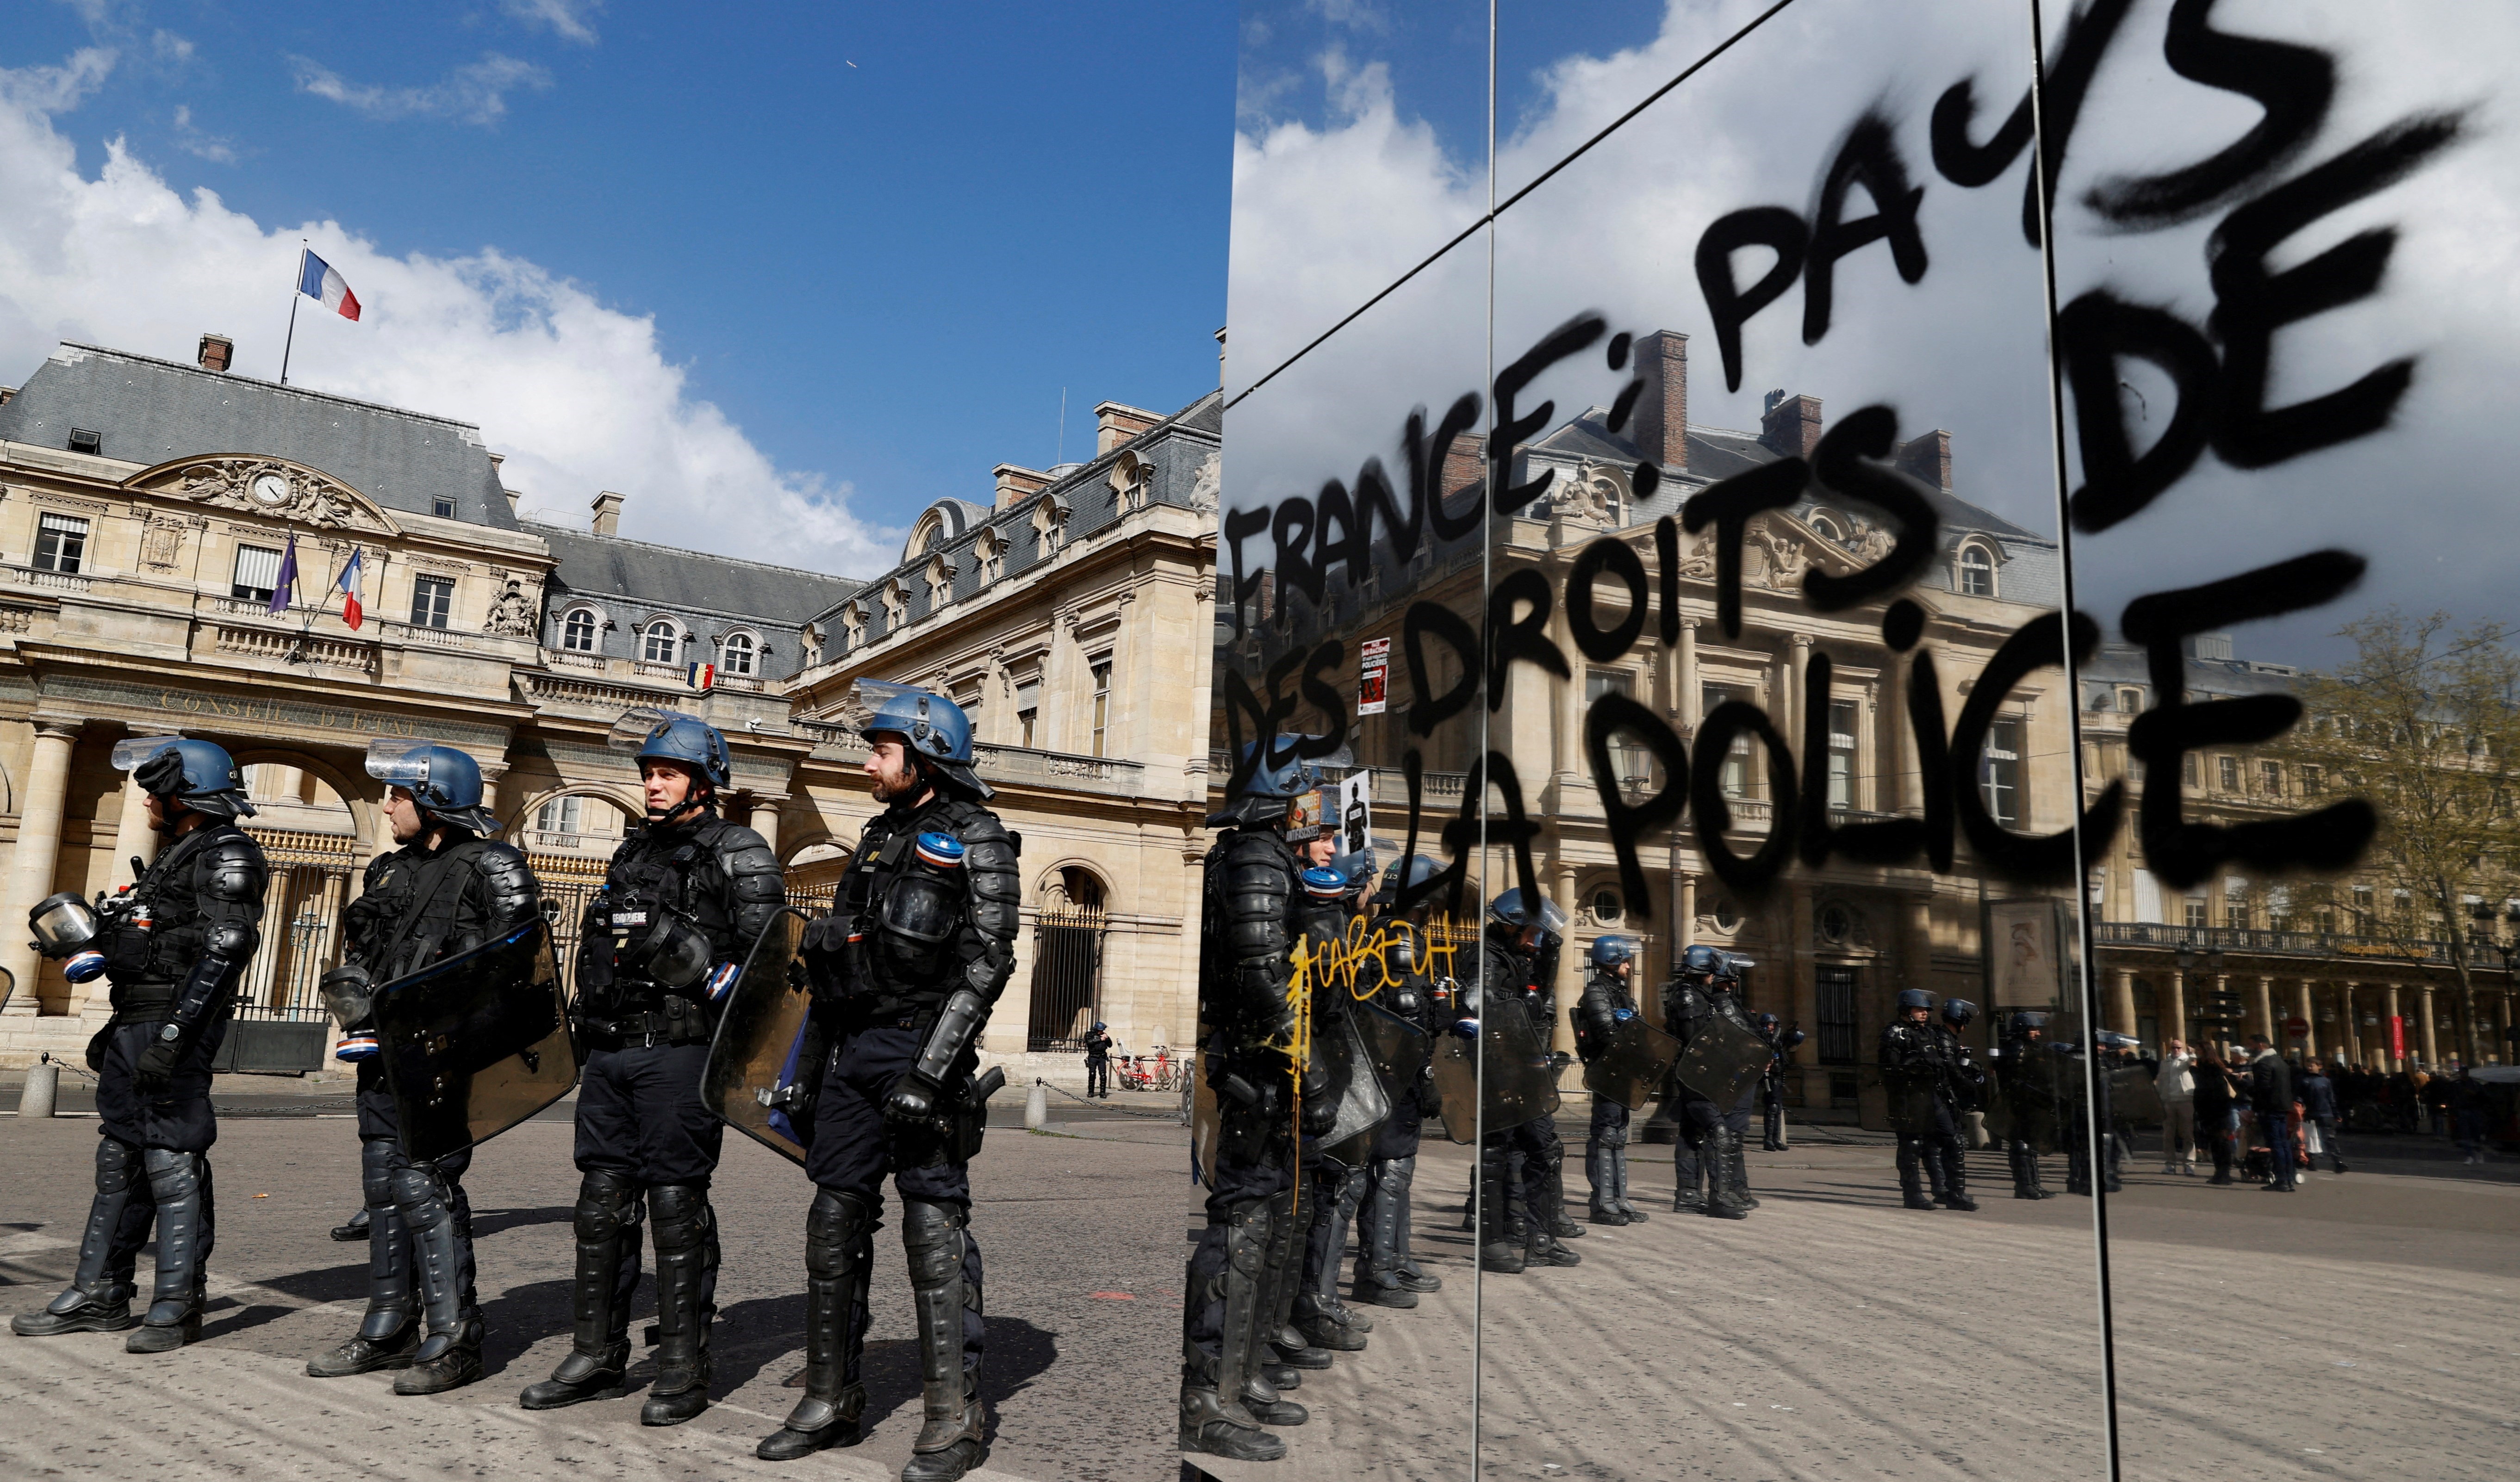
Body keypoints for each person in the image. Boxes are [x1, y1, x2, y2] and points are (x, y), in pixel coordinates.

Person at [761, 688, 1021, 1478]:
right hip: (854, 1049)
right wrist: (804, 1070)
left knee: (933, 1230)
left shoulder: (980, 838)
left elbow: (987, 963)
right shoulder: (874, 839)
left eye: (880, 750)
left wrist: (933, 1070)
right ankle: (830, 1396)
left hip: (923, 1050)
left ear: (925, 754)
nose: (868, 762)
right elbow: (831, 967)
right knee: (832, 1219)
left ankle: (953, 1414)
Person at [520, 710, 784, 1426]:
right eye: (648, 772)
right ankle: (596, 1352)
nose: (653, 784)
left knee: (675, 1202)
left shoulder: (742, 851)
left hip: (681, 1051)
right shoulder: (630, 854)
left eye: (667, 772)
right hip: (610, 1051)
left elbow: (771, 971)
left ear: (705, 780)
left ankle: (682, 1364)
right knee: (600, 1203)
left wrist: (704, 966)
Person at [13, 738, 266, 1350]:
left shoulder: (227, 849)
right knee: (119, 1159)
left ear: (190, 792)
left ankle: (177, 1305)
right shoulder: (175, 854)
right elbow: (158, 940)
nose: (147, 797)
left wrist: (177, 1035)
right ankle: (101, 1292)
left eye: (158, 786)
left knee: (172, 1160)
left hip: (173, 1028)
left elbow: (228, 945)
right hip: (135, 1024)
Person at [306, 743, 540, 1394]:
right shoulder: (387, 869)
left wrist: (450, 1032)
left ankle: (453, 1337)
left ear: (434, 799)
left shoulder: (495, 864)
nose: (386, 805)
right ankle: (388, 1325)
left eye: (398, 795)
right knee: (382, 1184)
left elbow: (513, 971)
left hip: (445, 1058)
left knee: (423, 1185)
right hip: (380, 1053)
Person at [1177, 742, 1319, 1463]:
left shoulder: (1260, 852)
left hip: (1267, 1068)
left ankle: (1240, 1375)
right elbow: (1265, 971)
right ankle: (1207, 1397)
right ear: (1284, 795)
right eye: (1308, 795)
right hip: (1260, 1070)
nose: (1314, 809)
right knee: (1242, 1226)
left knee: (1262, 1221)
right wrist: (1308, 1065)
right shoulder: (1258, 855)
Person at [1292, 854, 1381, 1358]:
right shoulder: (1325, 931)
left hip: (1338, 1077)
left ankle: (1320, 1299)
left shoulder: (1350, 929)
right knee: (1322, 1192)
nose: (1374, 887)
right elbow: (1317, 1011)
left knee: (1340, 1188)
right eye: (1369, 880)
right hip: (1318, 1079)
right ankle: (1311, 1305)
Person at [1350, 855, 1445, 1311]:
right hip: (1392, 1075)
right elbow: (1407, 1011)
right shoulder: (1398, 936)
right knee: (1389, 1172)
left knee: (1398, 1169)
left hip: (1387, 1073)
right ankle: (1377, 1269)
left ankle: (1397, 1259)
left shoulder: (1383, 930)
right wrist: (1425, 1072)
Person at [1469, 889, 1582, 1269]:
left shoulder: (1516, 960)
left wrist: (1548, 955)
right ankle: (1492, 1241)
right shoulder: (1486, 958)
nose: (1535, 940)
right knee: (1493, 1154)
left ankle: (1541, 1238)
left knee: (1546, 1150)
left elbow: (1538, 1006)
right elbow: (1480, 1012)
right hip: (1497, 1071)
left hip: (1526, 1071)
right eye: (1530, 932)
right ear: (1509, 926)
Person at [1664, 944, 1760, 1220]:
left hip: (1702, 1073)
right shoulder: (1689, 997)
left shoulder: (1698, 995)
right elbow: (1698, 1039)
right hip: (1697, 1074)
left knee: (1691, 1133)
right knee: (1718, 1132)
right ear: (1704, 970)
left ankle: (1688, 1195)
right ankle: (1720, 1198)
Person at [1574, 935, 1649, 1225]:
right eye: (1625, 961)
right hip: (1607, 1072)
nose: (1629, 967)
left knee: (1618, 1137)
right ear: (1611, 960)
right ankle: (1603, 1204)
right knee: (1605, 1136)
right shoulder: (1596, 993)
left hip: (1623, 1073)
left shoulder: (1620, 993)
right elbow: (1607, 1033)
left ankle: (1620, 1200)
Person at [1880, 990, 1952, 1210]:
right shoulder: (1895, 1032)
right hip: (1908, 1098)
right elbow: (1888, 1068)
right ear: (1906, 1011)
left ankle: (1942, 1190)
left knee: (1945, 1137)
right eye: (1919, 1009)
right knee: (1911, 1145)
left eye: (1926, 1010)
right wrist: (1911, 1064)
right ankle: (1913, 1195)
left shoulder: (1928, 1032)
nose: (1924, 1014)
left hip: (1932, 1095)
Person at [1993, 1011, 2057, 1199]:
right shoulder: (2017, 1049)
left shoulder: (2027, 1047)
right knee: (2021, 1144)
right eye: (2033, 1029)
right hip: (2019, 1103)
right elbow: (2022, 1076)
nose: (2038, 1033)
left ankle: (2034, 1184)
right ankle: (2024, 1186)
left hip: (2030, 1103)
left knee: (2031, 1144)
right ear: (2023, 1029)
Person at [1931, 998, 1984, 1211]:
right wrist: (1970, 1085)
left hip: (1942, 1096)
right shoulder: (1944, 1038)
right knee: (1954, 1144)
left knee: (1937, 1145)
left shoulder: (1947, 1038)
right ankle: (1955, 1194)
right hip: (1942, 1096)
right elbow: (1950, 1070)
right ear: (1961, 1019)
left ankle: (1944, 1191)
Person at [2243, 1033, 2297, 1192]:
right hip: (2283, 1108)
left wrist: (2246, 1085)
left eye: (2251, 1045)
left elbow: (2263, 1089)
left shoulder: (2263, 1064)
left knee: (2276, 1145)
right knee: (2284, 1144)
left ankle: (2281, 1180)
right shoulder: (2281, 1062)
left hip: (2269, 1108)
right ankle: (2289, 1177)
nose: (2249, 1049)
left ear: (2260, 1046)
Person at [1753, 1012, 1804, 1152]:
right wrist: (1779, 1029)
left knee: (1778, 1108)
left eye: (1773, 1025)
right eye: (1770, 1025)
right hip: (1770, 1075)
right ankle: (1768, 1139)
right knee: (1773, 1107)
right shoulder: (1764, 1037)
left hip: (1778, 1074)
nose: (1772, 1027)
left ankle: (1776, 1139)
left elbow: (1787, 1043)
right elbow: (1772, 1043)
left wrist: (1792, 1032)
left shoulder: (1776, 1038)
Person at [2192, 1044, 2242, 1184]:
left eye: (2199, 1051)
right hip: (2216, 1109)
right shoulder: (2215, 1067)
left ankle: (2223, 1172)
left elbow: (2207, 1089)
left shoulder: (2209, 1068)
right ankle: (2221, 1172)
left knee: (2219, 1141)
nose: (2197, 1055)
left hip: (2214, 1110)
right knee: (2218, 1142)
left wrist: (2194, 1070)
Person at [2156, 1039, 2198, 1175]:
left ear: (2183, 1049)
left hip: (2185, 1100)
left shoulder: (2187, 1060)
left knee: (2188, 1134)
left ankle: (2189, 1164)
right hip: (2168, 1101)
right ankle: (2170, 1164)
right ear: (2170, 1048)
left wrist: (2193, 1054)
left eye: (2179, 1048)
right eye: (2174, 1048)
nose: (2176, 1050)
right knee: (2168, 1135)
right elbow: (2161, 1081)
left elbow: (2191, 1063)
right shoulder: (2165, 1062)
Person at [2299, 1056, 2346, 1175]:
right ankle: (2311, 1161)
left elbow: (2331, 1098)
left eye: (2312, 1065)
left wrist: (2336, 1113)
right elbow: (2298, 1096)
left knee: (2329, 1138)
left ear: (2319, 1066)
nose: (2310, 1067)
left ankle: (2338, 1162)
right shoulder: (2303, 1080)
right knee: (2310, 1138)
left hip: (2325, 1113)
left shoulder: (2325, 1081)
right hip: (2309, 1113)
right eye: (2308, 1065)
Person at [2446, 1066, 2491, 1165]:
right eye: (2461, 1072)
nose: (2463, 1074)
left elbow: (2484, 1097)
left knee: (2476, 1133)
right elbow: (2451, 1097)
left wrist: (2475, 1096)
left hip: (2474, 1110)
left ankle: (2478, 1153)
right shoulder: (2457, 1085)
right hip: (2463, 1111)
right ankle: (2470, 1155)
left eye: (2464, 1072)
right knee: (2465, 1134)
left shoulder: (2475, 1084)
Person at [1083, 1021, 1114, 1099]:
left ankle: (1103, 1092)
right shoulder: (1089, 1034)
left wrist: (1107, 1038)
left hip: (1102, 1057)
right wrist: (1100, 1039)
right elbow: (1089, 1042)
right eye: (1100, 1030)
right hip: (1093, 1057)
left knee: (1103, 1075)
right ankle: (1091, 1092)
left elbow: (1110, 1045)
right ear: (1096, 1029)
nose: (1102, 1032)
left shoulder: (1104, 1035)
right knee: (1092, 1074)